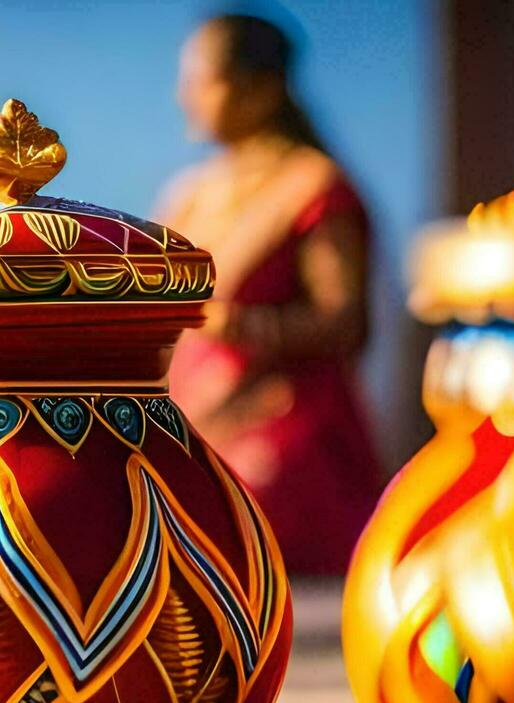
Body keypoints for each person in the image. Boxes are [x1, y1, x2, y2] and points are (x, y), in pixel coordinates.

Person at [157, 12, 381, 576]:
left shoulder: (313, 186)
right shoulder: (192, 193)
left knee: (239, 523)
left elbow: (346, 322)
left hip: (286, 432)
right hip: (194, 419)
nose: (187, 96)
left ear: (263, 88)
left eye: (204, 79)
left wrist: (243, 326)